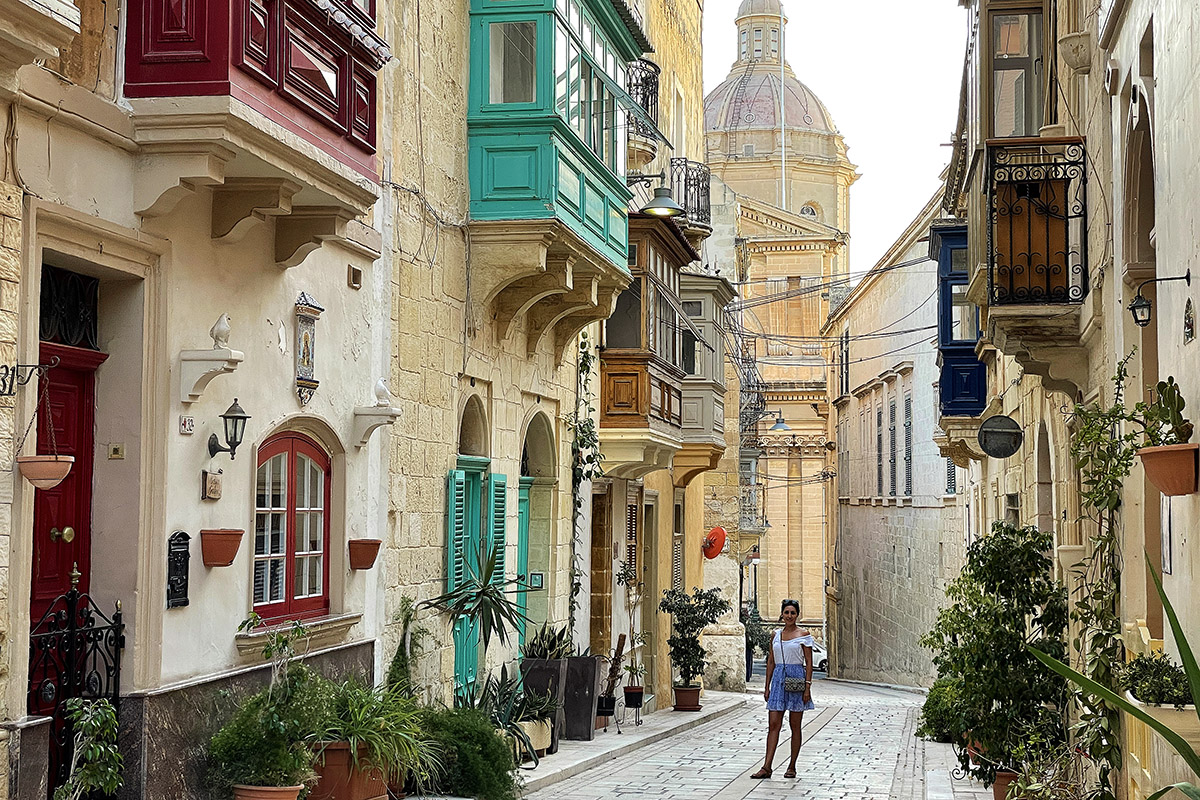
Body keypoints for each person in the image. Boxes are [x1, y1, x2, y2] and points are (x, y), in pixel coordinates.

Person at [750, 598, 814, 779]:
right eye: (786, 612)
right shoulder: (775, 635)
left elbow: (808, 662)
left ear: (797, 614)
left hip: (796, 679)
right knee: (773, 725)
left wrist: (807, 687)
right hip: (778, 680)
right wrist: (766, 686)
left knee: (795, 725)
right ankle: (767, 766)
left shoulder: (804, 634)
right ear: (782, 614)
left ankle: (792, 766)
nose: (789, 616)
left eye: (793, 613)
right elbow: (771, 661)